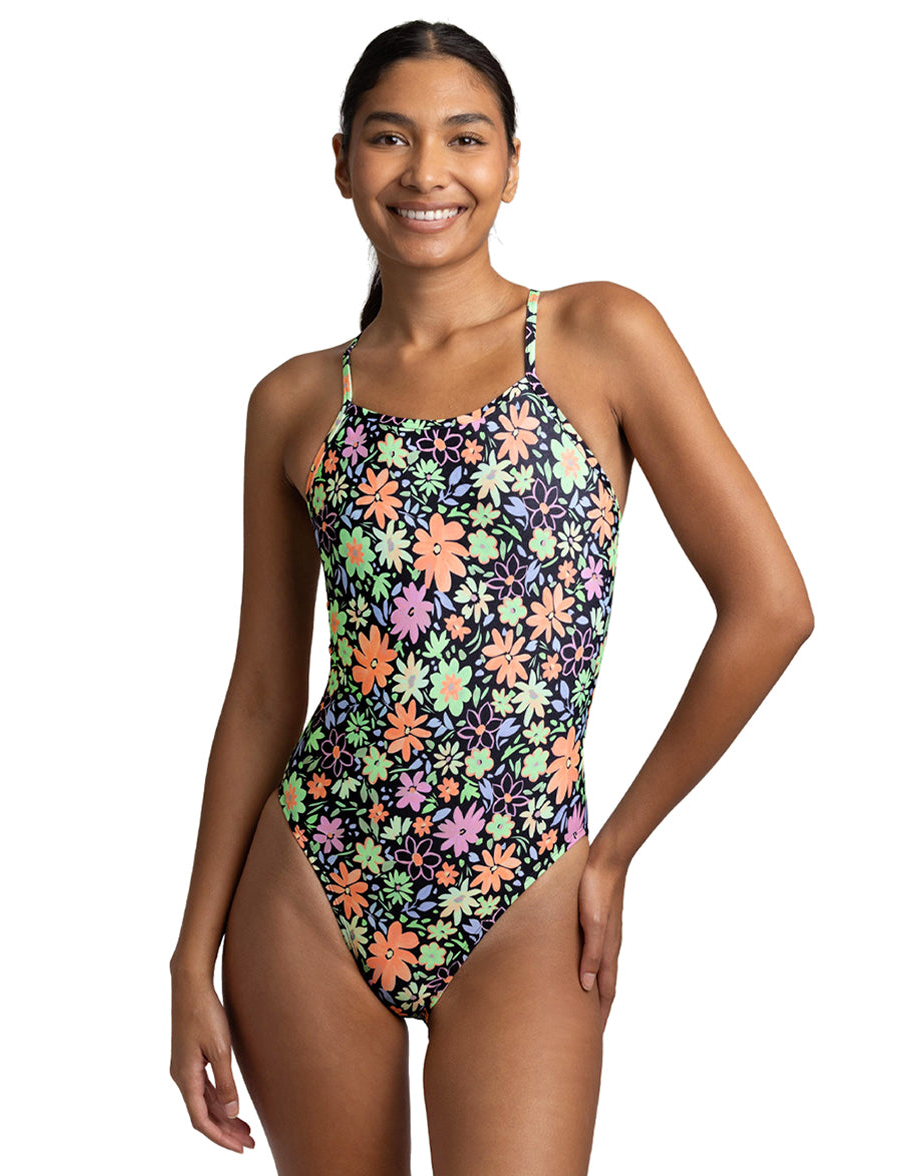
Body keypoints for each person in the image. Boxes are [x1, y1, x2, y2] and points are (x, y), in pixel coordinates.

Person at [169, 19, 813, 1175]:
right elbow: (264, 692)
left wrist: (614, 851)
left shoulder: (598, 336)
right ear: (342, 164)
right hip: (312, 879)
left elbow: (771, 606)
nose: (428, 171)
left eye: (465, 139)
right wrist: (188, 957)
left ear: (512, 166)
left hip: (527, 886)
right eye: (389, 138)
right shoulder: (295, 402)